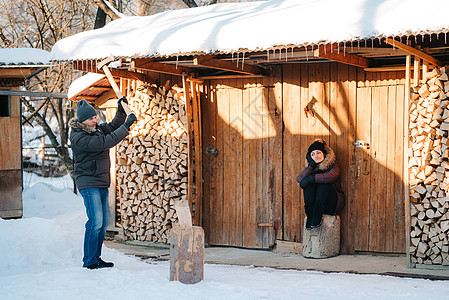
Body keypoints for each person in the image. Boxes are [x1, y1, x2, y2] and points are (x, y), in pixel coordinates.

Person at [69, 97, 137, 269]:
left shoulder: (96, 129)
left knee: (103, 222)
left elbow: (112, 127)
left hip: (100, 181)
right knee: (95, 221)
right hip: (88, 181)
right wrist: (127, 126)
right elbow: (106, 142)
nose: (95, 120)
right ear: (83, 120)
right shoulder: (79, 136)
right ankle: (89, 261)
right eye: (92, 118)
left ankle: (96, 258)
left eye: (95, 117)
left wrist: (121, 112)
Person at [296, 139, 345, 230]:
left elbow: (332, 176)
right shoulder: (312, 166)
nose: (316, 156)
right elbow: (300, 180)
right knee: (308, 185)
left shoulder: (332, 163)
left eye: (318, 152)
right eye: (313, 154)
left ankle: (317, 215)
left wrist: (312, 178)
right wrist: (311, 165)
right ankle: (310, 216)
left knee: (324, 183)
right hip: (316, 203)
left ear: (323, 153)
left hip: (333, 202)